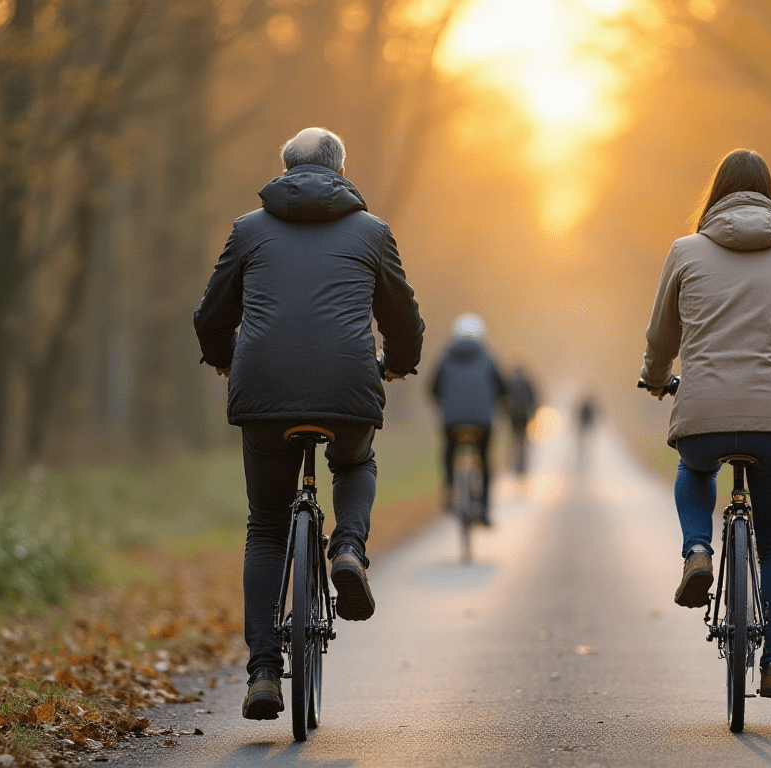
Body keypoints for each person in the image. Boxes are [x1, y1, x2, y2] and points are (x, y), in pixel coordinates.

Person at [193, 127, 424, 722]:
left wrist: (225, 358)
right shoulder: (372, 232)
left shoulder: (248, 230)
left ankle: (264, 674)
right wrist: (398, 364)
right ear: (340, 171)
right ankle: (347, 548)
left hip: (264, 391)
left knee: (267, 524)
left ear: (285, 169)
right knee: (355, 460)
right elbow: (403, 316)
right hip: (347, 386)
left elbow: (212, 313)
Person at [639, 148, 771, 700]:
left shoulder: (684, 251)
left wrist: (655, 378)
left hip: (703, 414)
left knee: (695, 468)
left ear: (716, 195)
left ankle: (697, 551)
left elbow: (661, 335)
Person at [430, 313, 507, 524]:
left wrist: (442, 405)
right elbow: (502, 388)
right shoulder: (489, 358)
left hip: (452, 422)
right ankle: (484, 508)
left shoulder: (444, 358)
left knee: (449, 451)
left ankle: (449, 490)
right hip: (482, 422)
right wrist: (497, 403)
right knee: (484, 459)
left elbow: (433, 388)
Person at [504, 366, 539, 475]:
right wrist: (532, 413)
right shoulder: (527, 383)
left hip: (513, 415)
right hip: (524, 415)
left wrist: (506, 411)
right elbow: (533, 399)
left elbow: (504, 398)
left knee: (513, 438)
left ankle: (512, 463)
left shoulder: (510, 383)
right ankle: (522, 464)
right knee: (523, 440)